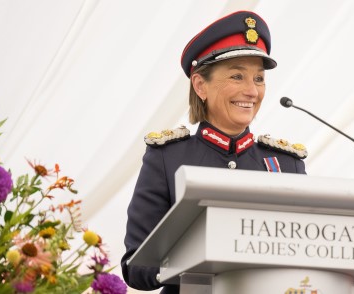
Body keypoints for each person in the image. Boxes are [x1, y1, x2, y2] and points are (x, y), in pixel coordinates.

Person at [121, 10, 308, 293]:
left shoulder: (287, 164)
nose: (252, 91)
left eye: (259, 79)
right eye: (237, 76)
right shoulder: (167, 158)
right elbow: (136, 267)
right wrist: (197, 258)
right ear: (200, 86)